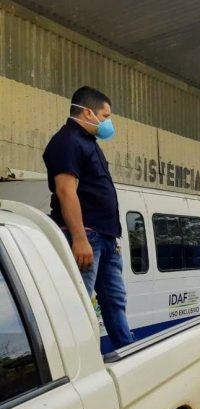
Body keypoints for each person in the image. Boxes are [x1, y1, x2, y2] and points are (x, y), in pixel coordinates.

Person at [43, 86, 135, 352]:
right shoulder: (66, 142)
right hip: (87, 236)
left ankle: (126, 352)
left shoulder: (88, 143)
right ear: (87, 112)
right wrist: (80, 238)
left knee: (115, 301)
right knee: (79, 303)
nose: (108, 123)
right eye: (105, 116)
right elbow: (65, 191)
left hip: (105, 237)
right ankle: (79, 360)